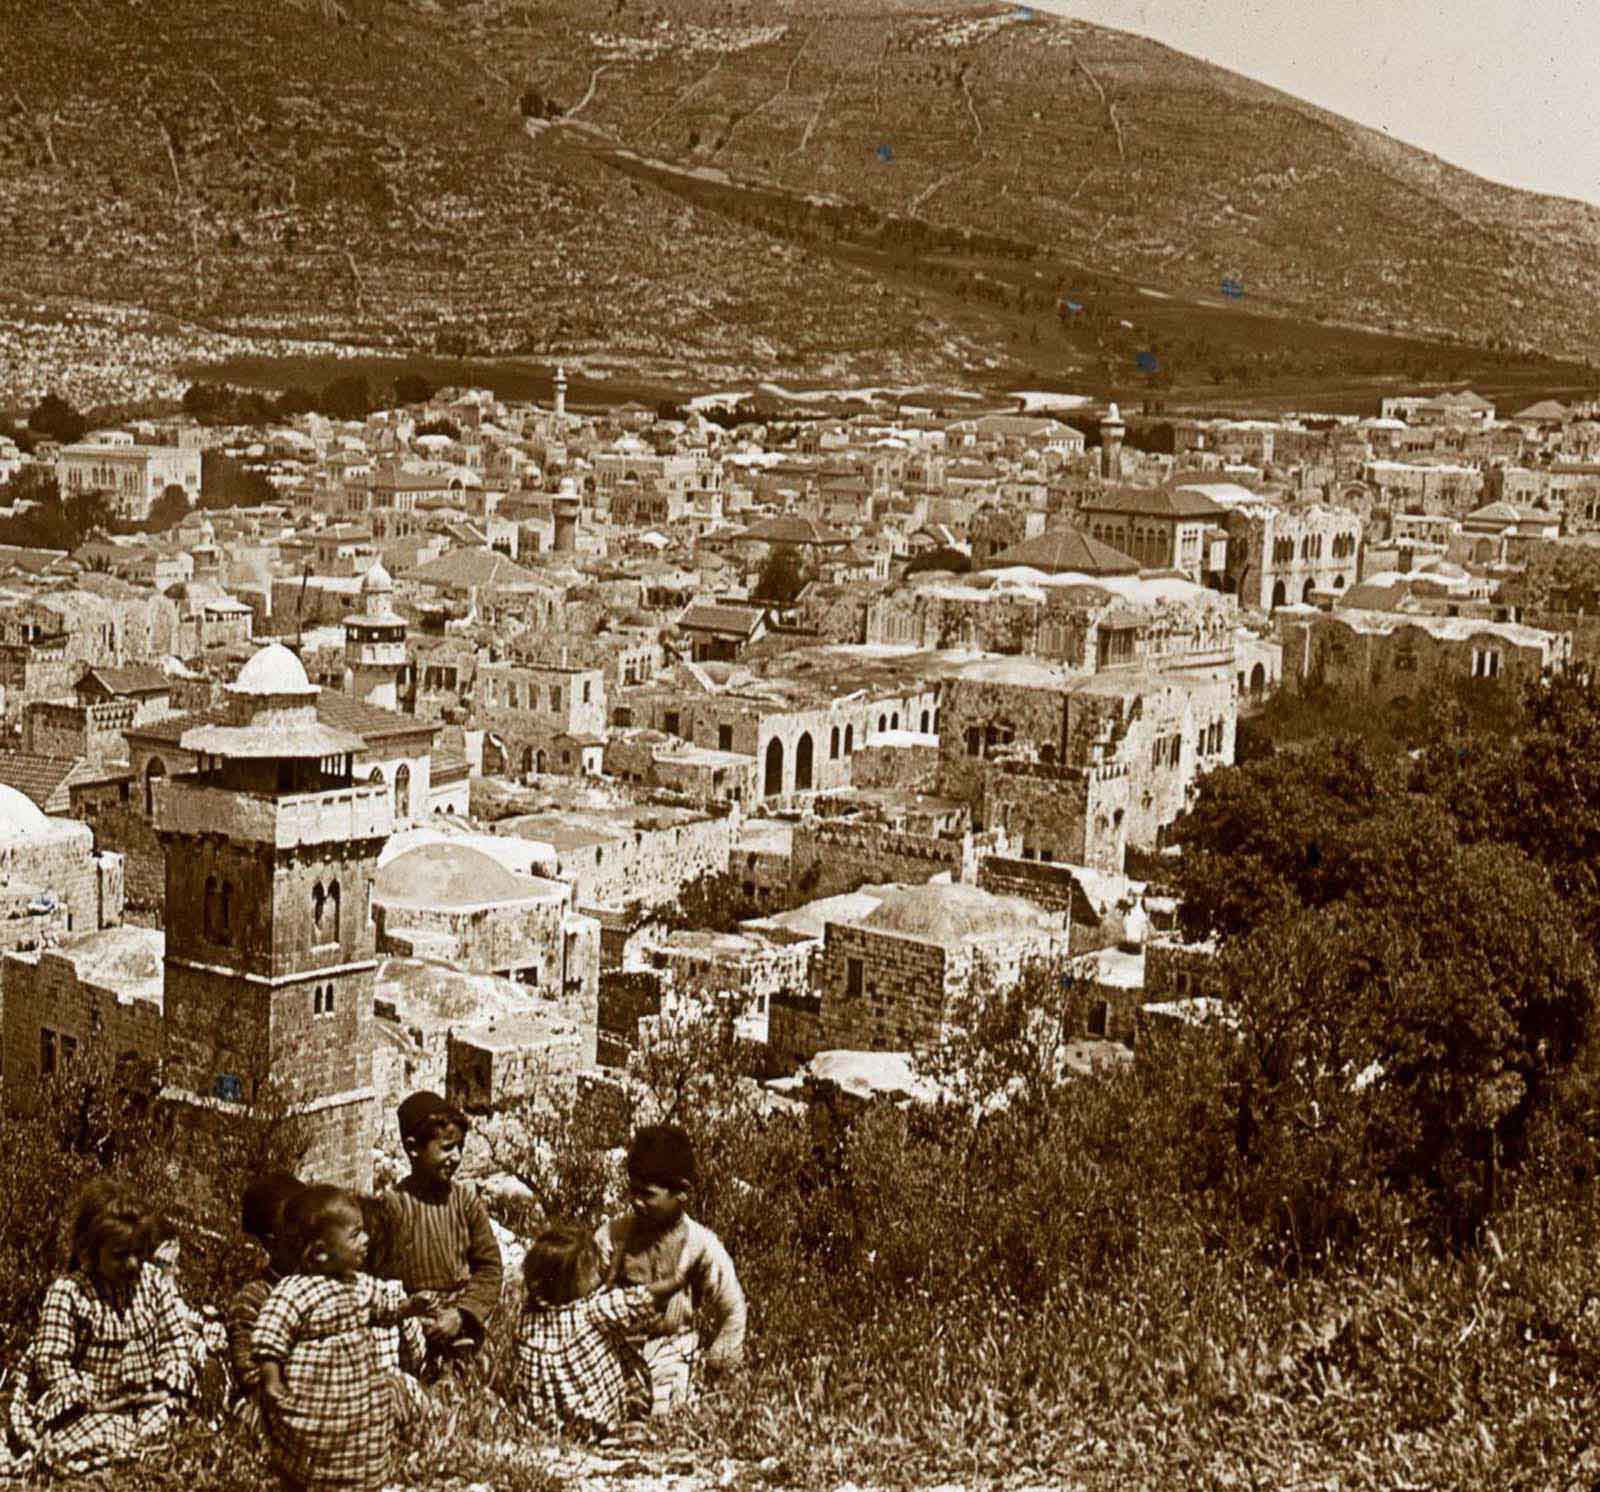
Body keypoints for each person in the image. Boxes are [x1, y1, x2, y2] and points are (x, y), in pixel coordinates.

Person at [5, 1178, 196, 1476]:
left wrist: (164, 1382)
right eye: (120, 1255)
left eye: (138, 1252)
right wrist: (89, 1394)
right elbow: (51, 1361)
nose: (133, 1264)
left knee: (163, 1425)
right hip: (89, 1406)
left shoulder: (154, 1283)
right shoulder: (70, 1292)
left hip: (144, 1402)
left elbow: (174, 1341)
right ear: (88, 1254)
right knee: (90, 1437)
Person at [251, 1184, 434, 1492]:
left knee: (363, 1440)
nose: (366, 1240)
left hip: (354, 1397)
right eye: (355, 1235)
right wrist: (272, 1380)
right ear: (320, 1252)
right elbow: (271, 1335)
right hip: (313, 1398)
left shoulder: (358, 1284)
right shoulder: (295, 1291)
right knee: (311, 1453)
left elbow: (385, 1306)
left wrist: (409, 1307)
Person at [594, 1124, 747, 1416]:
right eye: (632, 1191)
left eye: (648, 1195)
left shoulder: (700, 1246)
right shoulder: (614, 1236)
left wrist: (718, 1369)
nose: (636, 1202)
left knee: (665, 1413)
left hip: (672, 1352)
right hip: (613, 1352)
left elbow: (732, 1311)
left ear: (682, 1193)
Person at [511, 1220, 701, 1441]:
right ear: (576, 1281)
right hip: (601, 1420)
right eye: (594, 1269)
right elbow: (643, 1300)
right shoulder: (592, 1311)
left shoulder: (526, 1323)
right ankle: (631, 1423)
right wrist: (678, 1279)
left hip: (554, 1427)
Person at [375, 1091, 503, 1375]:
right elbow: (377, 1278)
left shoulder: (465, 1200)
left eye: (460, 1147)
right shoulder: (393, 1205)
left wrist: (463, 1314)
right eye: (446, 1148)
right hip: (412, 1330)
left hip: (460, 1326)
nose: (456, 1157)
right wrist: (409, 1315)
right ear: (413, 1148)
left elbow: (490, 1267)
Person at [226, 1172, 307, 1425]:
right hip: (281, 1404)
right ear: (273, 1243)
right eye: (299, 1232)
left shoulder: (325, 1281)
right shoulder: (253, 1300)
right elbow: (252, 1378)